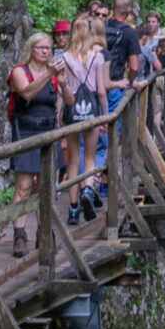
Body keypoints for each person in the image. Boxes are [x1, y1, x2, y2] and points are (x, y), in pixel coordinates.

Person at [6, 29, 63, 257]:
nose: (45, 51)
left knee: (45, 185)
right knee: (24, 185)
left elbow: (64, 100)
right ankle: (19, 234)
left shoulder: (53, 74)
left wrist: (64, 83)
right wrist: (49, 73)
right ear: (31, 49)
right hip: (26, 130)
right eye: (40, 48)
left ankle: (44, 230)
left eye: (48, 48)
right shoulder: (19, 71)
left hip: (48, 130)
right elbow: (27, 93)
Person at [57, 15, 108, 221]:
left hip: (72, 110)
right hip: (91, 110)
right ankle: (87, 190)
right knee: (89, 157)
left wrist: (59, 114)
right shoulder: (97, 57)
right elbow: (101, 90)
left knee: (72, 160)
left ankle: (72, 210)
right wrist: (104, 116)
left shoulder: (64, 58)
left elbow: (62, 90)